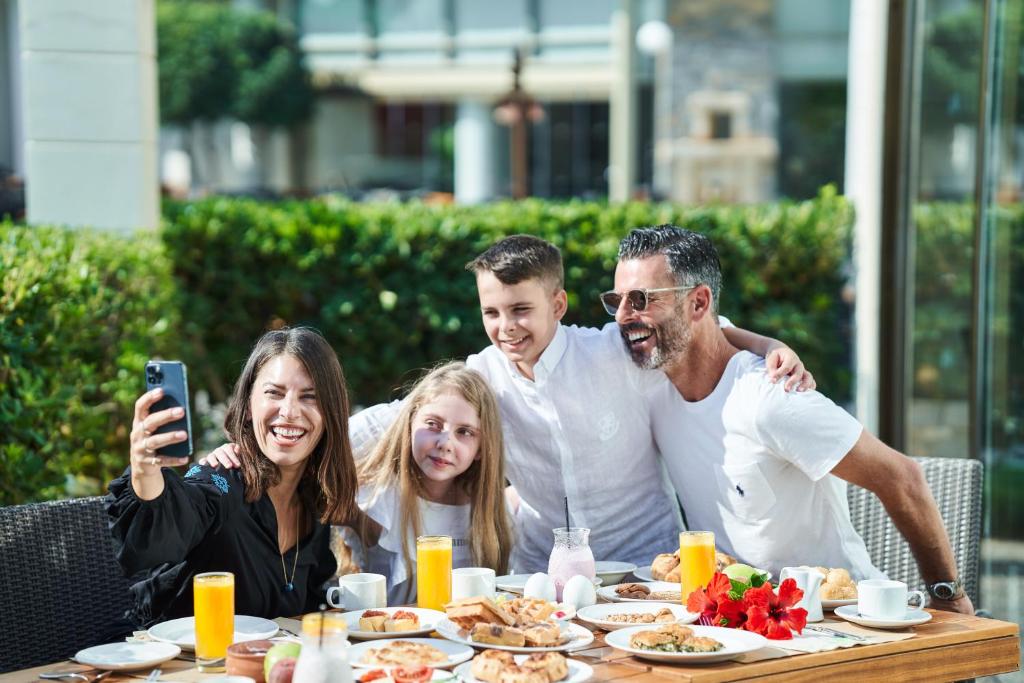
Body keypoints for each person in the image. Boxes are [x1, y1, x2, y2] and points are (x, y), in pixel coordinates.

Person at [208, 237, 812, 572]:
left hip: (645, 573)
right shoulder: (482, 377)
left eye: (520, 310)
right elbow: (380, 425)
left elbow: (696, 327)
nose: (505, 328)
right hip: (537, 577)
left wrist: (768, 345)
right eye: (491, 312)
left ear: (559, 303)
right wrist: (273, 436)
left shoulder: (617, 353)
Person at [608, 225, 974, 614]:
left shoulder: (772, 397)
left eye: (641, 299)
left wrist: (948, 594)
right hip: (740, 620)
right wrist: (768, 341)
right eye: (616, 300)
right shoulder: (654, 381)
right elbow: (721, 328)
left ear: (698, 303)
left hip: (842, 621)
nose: (622, 316)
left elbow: (903, 478)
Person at [107, 327, 361, 630]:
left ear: (331, 412)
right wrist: (145, 470)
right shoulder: (221, 479)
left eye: (310, 397)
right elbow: (161, 535)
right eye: (274, 393)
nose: (290, 411)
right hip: (172, 665)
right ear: (249, 405)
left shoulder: (314, 497)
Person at [355, 362, 513, 603]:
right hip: (389, 634)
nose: (445, 443)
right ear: (409, 423)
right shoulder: (379, 496)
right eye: (433, 424)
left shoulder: (488, 508)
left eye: (465, 432)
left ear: (481, 448)